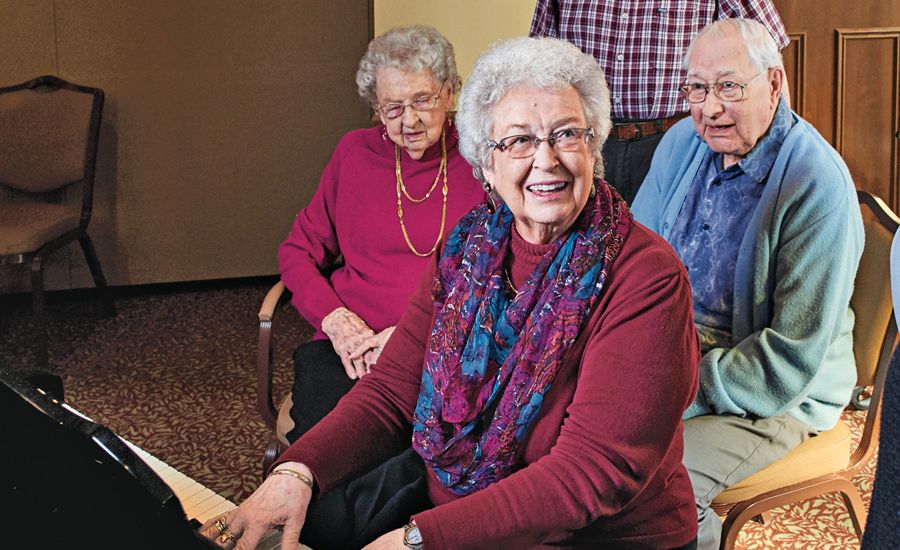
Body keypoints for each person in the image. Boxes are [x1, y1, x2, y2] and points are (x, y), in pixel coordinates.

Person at [202, 37, 700, 549]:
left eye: (566, 134)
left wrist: (418, 539)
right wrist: (297, 472)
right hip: (462, 515)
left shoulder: (646, 278)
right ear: (487, 164)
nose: (546, 159)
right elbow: (394, 392)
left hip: (593, 537)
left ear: (594, 148)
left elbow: (590, 474)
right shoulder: (467, 250)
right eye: (519, 140)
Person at [631, 18, 864, 550]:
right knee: (568, 449)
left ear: (775, 84)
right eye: (697, 88)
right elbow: (631, 264)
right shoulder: (679, 145)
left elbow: (787, 362)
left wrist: (676, 389)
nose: (709, 107)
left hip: (774, 395)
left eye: (729, 87)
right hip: (671, 365)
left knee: (656, 494)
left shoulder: (815, 183)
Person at [277, 26, 485, 441]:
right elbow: (297, 251)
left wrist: (414, 336)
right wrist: (337, 322)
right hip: (349, 348)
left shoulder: (482, 158)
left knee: (414, 452)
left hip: (444, 347)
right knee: (323, 445)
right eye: (392, 107)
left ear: (449, 92)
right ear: (376, 106)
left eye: (423, 100)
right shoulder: (353, 153)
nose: (409, 120)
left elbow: (498, 275)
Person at [529, 0, 788, 205]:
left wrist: (778, 155)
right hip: (584, 142)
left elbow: (768, 59)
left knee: (665, 256)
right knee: (581, 254)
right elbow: (541, 62)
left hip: (674, 144)